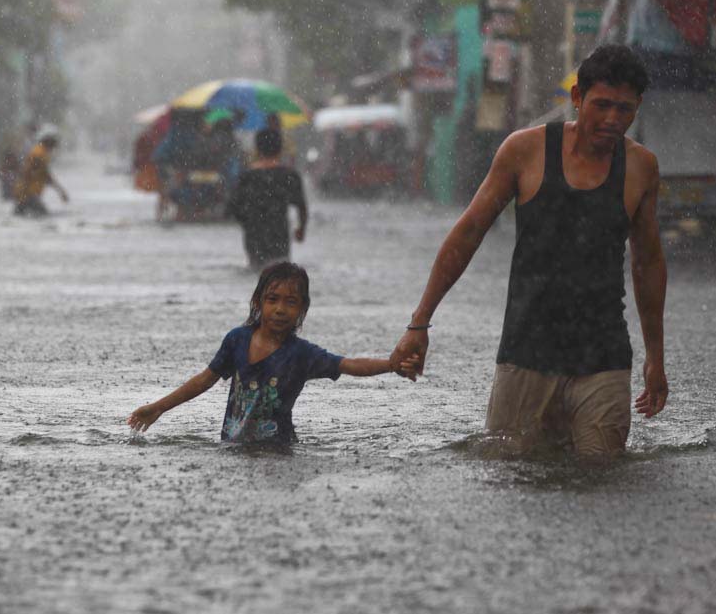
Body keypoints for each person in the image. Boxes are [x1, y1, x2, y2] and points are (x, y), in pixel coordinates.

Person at [390, 44, 668, 459]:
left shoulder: (641, 167)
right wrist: (420, 323)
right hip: (526, 352)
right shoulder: (525, 150)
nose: (613, 120)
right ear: (577, 98)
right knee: (513, 468)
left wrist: (655, 358)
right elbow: (468, 233)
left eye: (625, 110)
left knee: (601, 467)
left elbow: (647, 263)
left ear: (638, 107)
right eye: (602, 105)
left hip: (604, 355)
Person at [127, 262, 419, 443]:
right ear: (258, 302)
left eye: (291, 302)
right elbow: (203, 381)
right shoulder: (237, 340)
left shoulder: (303, 354)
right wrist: (158, 407)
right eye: (273, 300)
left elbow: (348, 364)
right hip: (233, 445)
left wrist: (392, 364)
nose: (280, 309)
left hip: (278, 449)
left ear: (302, 310)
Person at [228, 129, 307, 269]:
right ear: (280, 149)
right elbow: (301, 206)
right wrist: (301, 230)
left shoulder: (246, 176)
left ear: (257, 149)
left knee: (255, 269)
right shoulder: (290, 175)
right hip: (279, 236)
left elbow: (232, 208)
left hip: (254, 236)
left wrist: (247, 223)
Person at [13, 125, 69, 217]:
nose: (56, 143)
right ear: (48, 140)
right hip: (29, 194)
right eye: (54, 140)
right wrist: (24, 193)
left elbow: (45, 175)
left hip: (28, 194)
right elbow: (28, 173)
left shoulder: (43, 153)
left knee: (20, 216)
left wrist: (60, 191)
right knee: (43, 216)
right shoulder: (38, 154)